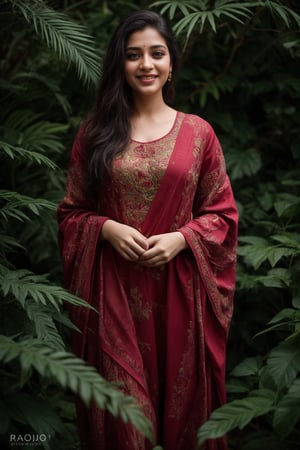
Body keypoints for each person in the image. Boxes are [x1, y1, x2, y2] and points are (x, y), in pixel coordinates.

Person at [57, 9, 238, 450]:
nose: (146, 64)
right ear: (120, 63)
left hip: (179, 295)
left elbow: (222, 215)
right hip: (114, 296)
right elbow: (70, 214)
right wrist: (104, 229)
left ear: (171, 62)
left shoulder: (199, 133)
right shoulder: (97, 133)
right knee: (128, 425)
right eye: (133, 54)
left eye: (156, 53)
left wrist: (182, 238)